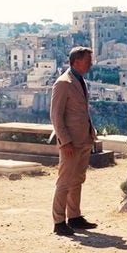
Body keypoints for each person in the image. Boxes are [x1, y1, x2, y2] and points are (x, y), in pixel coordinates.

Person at [50, 46, 98, 236]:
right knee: (64, 181)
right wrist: (65, 141)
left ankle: (75, 217)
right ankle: (59, 221)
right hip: (70, 142)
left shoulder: (79, 80)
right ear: (76, 61)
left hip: (84, 138)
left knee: (78, 179)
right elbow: (56, 116)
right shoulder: (63, 83)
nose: (91, 64)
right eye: (88, 60)